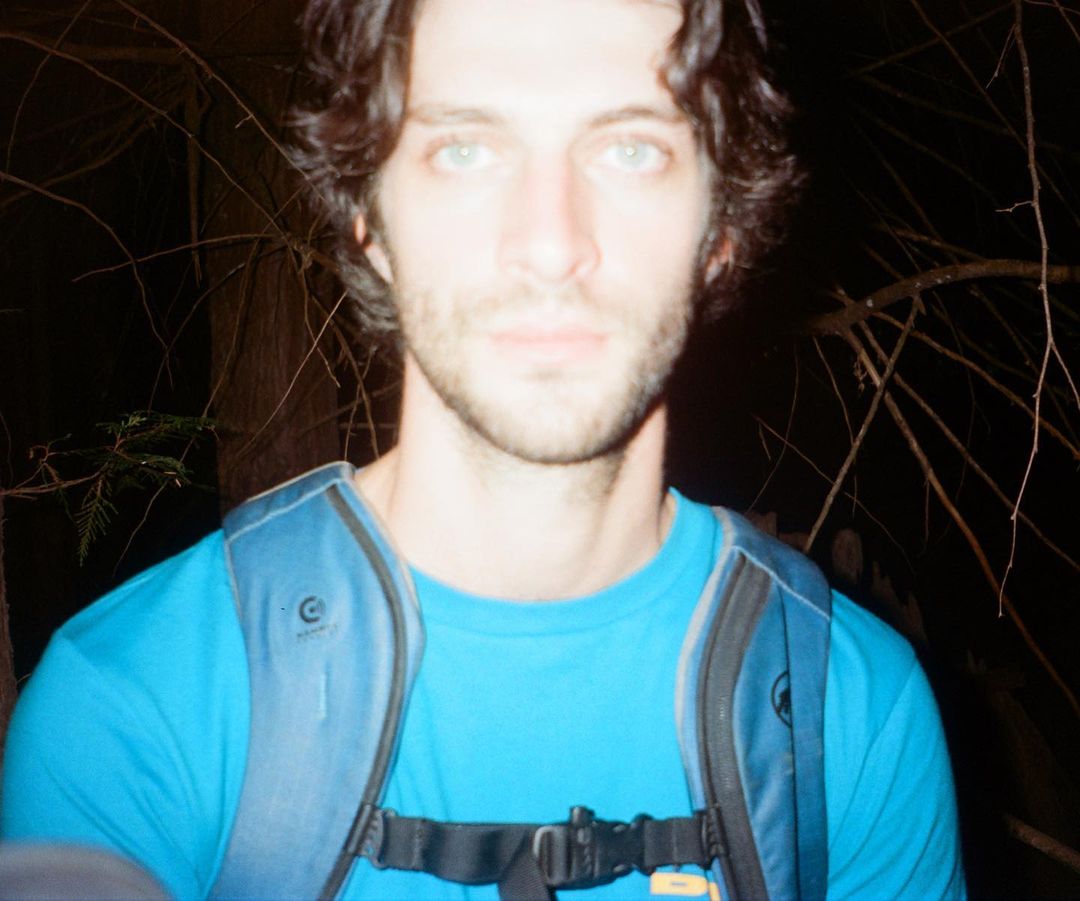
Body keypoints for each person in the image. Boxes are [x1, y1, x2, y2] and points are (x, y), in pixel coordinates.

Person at [1, 0, 966, 898]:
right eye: (464, 149)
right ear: (368, 219)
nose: (549, 243)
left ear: (722, 226)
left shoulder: (850, 718)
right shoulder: (133, 711)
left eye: (631, 149)